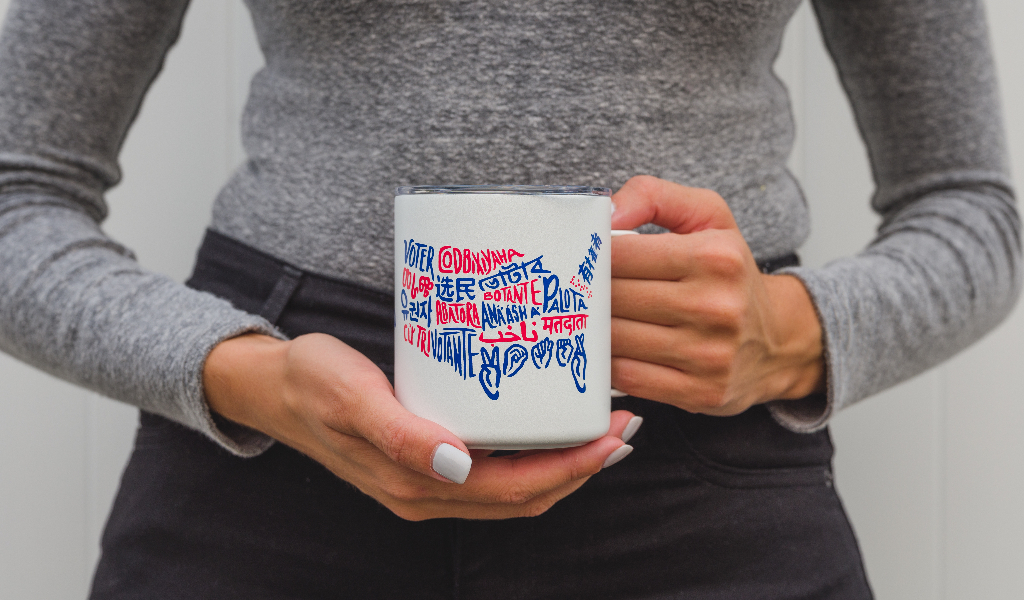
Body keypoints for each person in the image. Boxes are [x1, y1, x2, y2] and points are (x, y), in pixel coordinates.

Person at [0, 0, 1017, 598]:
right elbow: (18, 193)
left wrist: (792, 335)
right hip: (274, 441)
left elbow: (969, 208)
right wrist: (240, 373)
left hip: (700, 459)